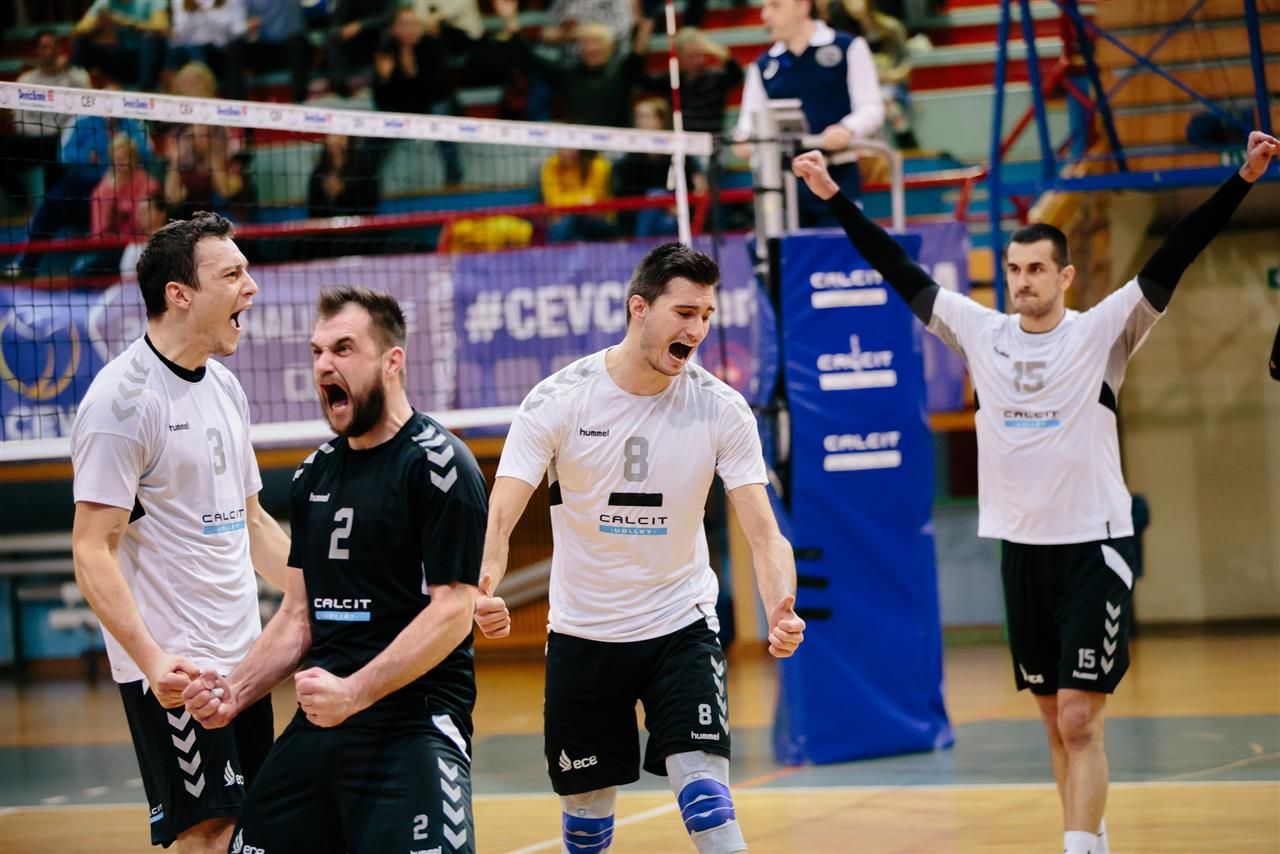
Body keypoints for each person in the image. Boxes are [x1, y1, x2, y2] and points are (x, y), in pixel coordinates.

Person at [791, 130, 1280, 854]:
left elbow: (1176, 252)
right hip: (1022, 550)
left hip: (1094, 547)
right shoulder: (980, 332)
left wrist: (1243, 178)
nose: (1022, 280)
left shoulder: (1103, 332)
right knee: (1055, 721)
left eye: (1037, 269)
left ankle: (1077, 848)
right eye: (1015, 269)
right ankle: (1090, 837)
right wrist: (835, 197)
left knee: (1081, 718)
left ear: (1065, 275)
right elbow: (895, 265)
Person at [473, 242, 806, 854]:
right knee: (586, 825)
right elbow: (502, 511)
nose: (697, 330)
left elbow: (764, 532)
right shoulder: (558, 399)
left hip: (680, 625)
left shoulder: (721, 409)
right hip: (583, 631)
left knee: (707, 801)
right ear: (639, 308)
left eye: (706, 315)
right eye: (684, 313)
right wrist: (487, 582)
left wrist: (780, 604)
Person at [182, 286, 487, 854]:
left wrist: (355, 691)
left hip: (412, 720)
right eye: (317, 351)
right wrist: (233, 693)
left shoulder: (441, 466)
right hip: (322, 719)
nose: (324, 364)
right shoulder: (312, 475)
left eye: (343, 348)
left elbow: (454, 610)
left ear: (392, 362)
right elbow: (298, 616)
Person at [69, 211, 291, 852]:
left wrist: (329, 595)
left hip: (243, 662)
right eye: (232, 274)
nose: (251, 286)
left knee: (256, 833)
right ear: (179, 294)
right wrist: (152, 660)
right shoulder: (121, 403)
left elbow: (253, 524)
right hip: (179, 673)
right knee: (211, 836)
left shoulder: (225, 386)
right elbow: (91, 549)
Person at [734, 0, 883, 226]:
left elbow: (871, 107)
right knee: (785, 246)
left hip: (837, 176)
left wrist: (847, 129)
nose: (765, 15)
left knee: (839, 244)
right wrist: (745, 139)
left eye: (775, 5)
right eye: (764, 7)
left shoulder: (848, 47)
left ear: (802, 6)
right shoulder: (763, 65)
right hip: (783, 181)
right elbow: (748, 121)